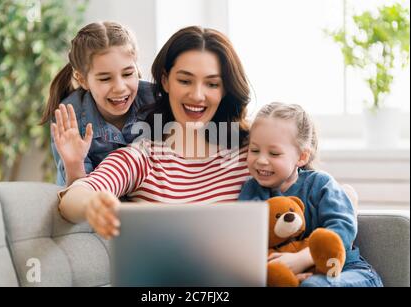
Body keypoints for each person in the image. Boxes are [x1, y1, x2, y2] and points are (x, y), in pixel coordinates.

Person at [58, 26, 252, 239]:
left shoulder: (253, 152)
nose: (197, 95)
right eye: (185, 81)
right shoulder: (143, 157)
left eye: (212, 83)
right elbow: (72, 198)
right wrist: (91, 205)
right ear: (166, 81)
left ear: (225, 89)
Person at [238, 102, 383, 287]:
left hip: (346, 270)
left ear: (302, 157)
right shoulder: (252, 191)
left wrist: (302, 259)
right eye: (254, 150)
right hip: (293, 277)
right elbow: (248, 242)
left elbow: (343, 227)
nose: (261, 160)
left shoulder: (321, 184)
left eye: (274, 153)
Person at [41, 21, 154, 186]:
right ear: (83, 80)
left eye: (128, 73)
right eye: (105, 78)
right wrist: (74, 163)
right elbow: (78, 195)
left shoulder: (154, 100)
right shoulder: (70, 118)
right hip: (94, 201)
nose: (120, 88)